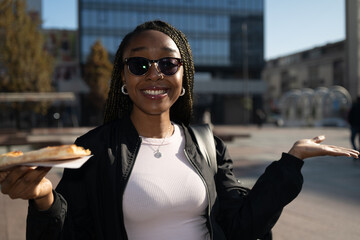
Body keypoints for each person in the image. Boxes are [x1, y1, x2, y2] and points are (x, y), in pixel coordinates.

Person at [0, 20, 358, 240]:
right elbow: (70, 234)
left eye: (168, 63)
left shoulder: (207, 145)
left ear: (183, 76)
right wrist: (44, 198)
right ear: (123, 79)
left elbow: (242, 226)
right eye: (139, 63)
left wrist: (290, 162)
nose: (154, 73)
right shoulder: (94, 149)